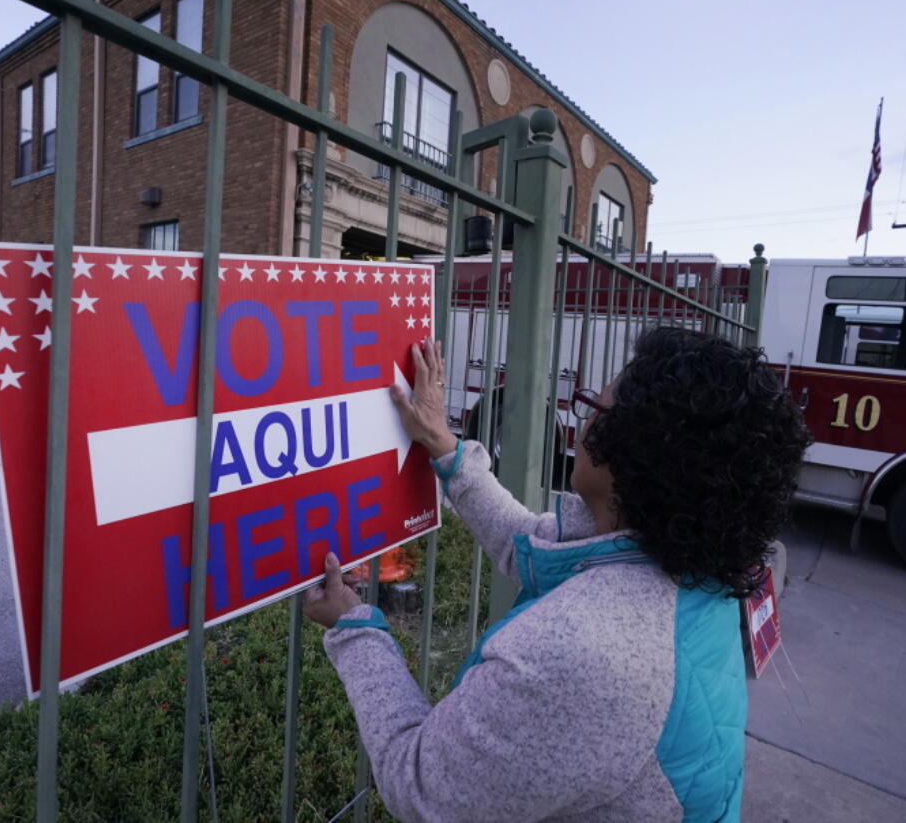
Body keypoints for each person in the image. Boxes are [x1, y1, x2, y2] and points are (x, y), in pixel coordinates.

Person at [303, 327, 810, 821]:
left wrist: (356, 630)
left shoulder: (578, 655)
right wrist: (446, 448)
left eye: (593, 409)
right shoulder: (695, 565)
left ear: (631, 453)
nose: (584, 427)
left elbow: (420, 787)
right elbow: (527, 542)